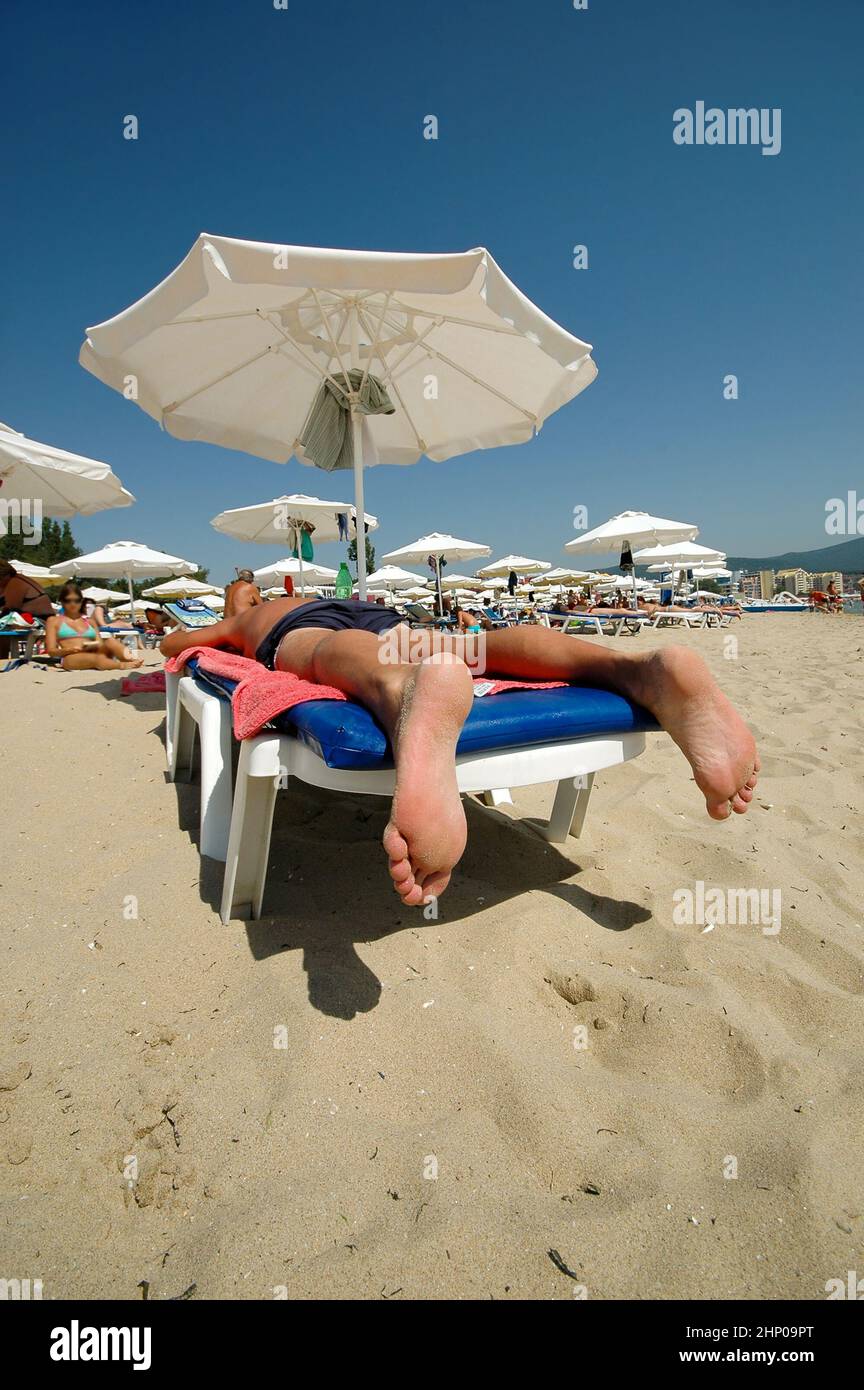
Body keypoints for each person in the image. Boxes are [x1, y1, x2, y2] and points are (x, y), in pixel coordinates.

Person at [162, 596, 759, 906]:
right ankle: (638, 669)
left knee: (327, 651)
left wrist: (225, 623)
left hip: (308, 631)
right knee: (482, 647)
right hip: (388, 622)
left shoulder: (249, 618)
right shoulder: (319, 600)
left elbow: (178, 643)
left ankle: (404, 696)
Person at [45, 582, 143, 670]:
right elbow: (51, 651)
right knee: (97, 658)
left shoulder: (90, 621)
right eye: (68, 600)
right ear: (62, 601)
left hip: (94, 651)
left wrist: (88, 646)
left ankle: (130, 659)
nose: (73, 604)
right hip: (71, 656)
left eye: (77, 600)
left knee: (110, 641)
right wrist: (68, 650)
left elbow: (99, 643)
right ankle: (122, 665)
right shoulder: (54, 621)